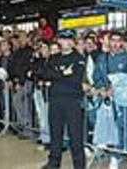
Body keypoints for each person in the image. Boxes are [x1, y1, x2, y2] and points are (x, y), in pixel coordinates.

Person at [29, 29, 86, 169]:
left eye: (69, 39)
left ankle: (79, 165)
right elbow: (44, 73)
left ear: (73, 41)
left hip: (72, 101)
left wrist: (55, 75)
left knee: (75, 137)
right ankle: (54, 163)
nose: (66, 42)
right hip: (55, 100)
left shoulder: (78, 58)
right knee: (55, 134)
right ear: (59, 41)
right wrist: (63, 73)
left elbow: (75, 79)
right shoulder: (54, 58)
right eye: (63, 39)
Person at [93, 31, 127, 169]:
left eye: (118, 40)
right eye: (113, 40)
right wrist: (102, 88)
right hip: (108, 97)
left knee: (126, 125)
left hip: (125, 97)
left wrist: (120, 86)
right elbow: (97, 76)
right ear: (109, 42)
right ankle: (115, 152)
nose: (115, 44)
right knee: (111, 126)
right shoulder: (102, 58)